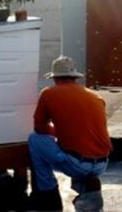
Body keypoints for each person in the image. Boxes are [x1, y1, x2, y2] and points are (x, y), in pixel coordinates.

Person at [27, 55, 112, 211]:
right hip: (102, 164)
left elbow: (39, 128)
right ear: (75, 78)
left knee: (35, 140)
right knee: (78, 151)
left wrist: (58, 132)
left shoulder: (48, 93)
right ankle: (89, 195)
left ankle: (48, 196)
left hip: (77, 164)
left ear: (55, 78)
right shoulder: (96, 97)